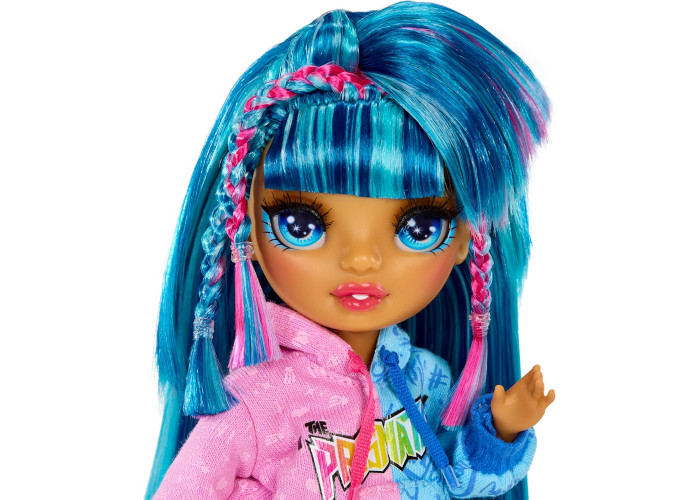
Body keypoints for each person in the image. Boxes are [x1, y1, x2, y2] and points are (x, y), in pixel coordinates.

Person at [147, 3, 554, 499]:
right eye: (302, 225)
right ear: (244, 224)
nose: (361, 261)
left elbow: (459, 482)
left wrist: (502, 432)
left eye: (419, 227)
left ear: (468, 238)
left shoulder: (425, 383)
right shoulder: (258, 403)